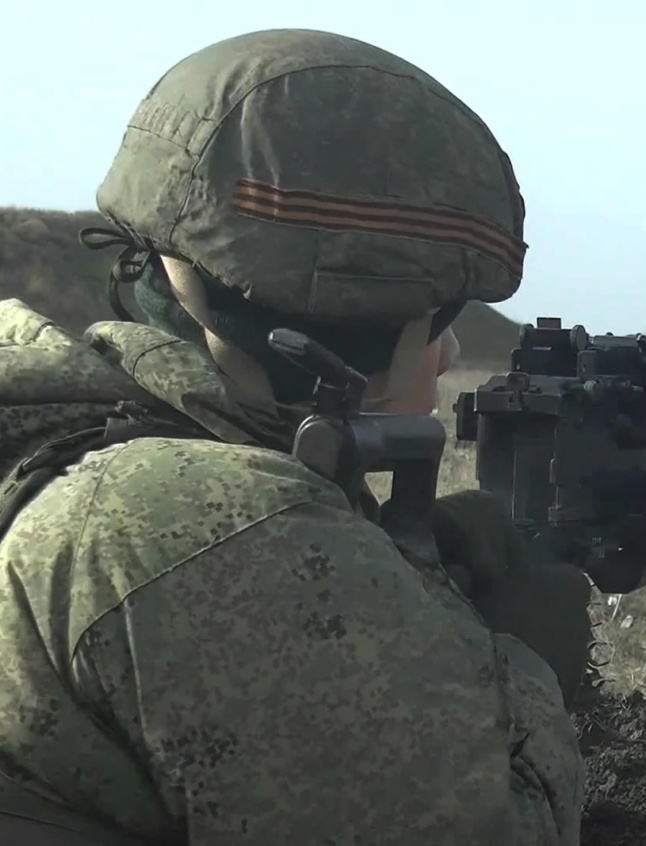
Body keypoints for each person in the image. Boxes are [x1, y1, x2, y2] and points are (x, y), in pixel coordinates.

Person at [0, 28, 590, 846]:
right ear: (350, 329)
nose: (450, 352)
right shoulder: (207, 525)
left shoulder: (69, 432)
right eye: (436, 318)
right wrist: (524, 664)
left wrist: (410, 578)